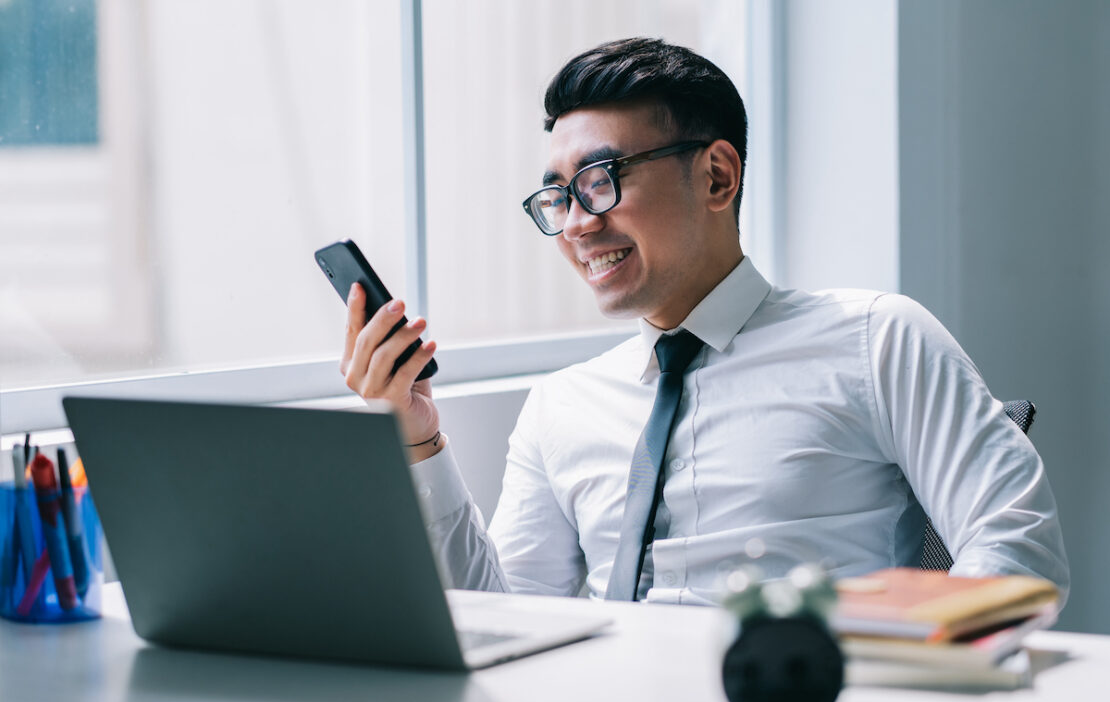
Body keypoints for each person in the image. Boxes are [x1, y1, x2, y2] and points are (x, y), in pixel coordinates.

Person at [339, 38, 1069, 605]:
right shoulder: (559, 408)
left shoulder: (877, 340)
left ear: (718, 175)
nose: (576, 226)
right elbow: (510, 623)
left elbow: (1016, 549)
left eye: (599, 182)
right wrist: (418, 438)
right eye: (558, 196)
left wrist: (905, 685)